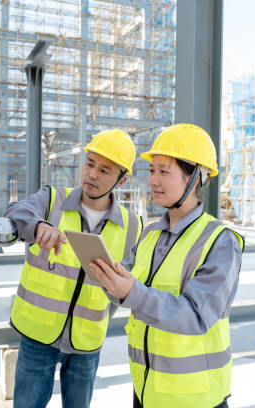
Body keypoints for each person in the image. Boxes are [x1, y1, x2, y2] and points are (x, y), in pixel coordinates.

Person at [90, 123, 244, 408]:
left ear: (196, 178)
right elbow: (125, 291)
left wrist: (131, 291)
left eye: (164, 171)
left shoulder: (220, 242)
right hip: (147, 391)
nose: (153, 181)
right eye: (151, 170)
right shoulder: (150, 235)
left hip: (195, 399)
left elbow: (196, 316)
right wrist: (106, 277)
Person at [3, 128, 143, 408]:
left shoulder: (132, 227)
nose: (92, 174)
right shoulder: (52, 200)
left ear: (121, 179)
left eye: (104, 170)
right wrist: (39, 226)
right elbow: (14, 212)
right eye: (90, 163)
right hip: (37, 334)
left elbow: (125, 289)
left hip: (86, 341)